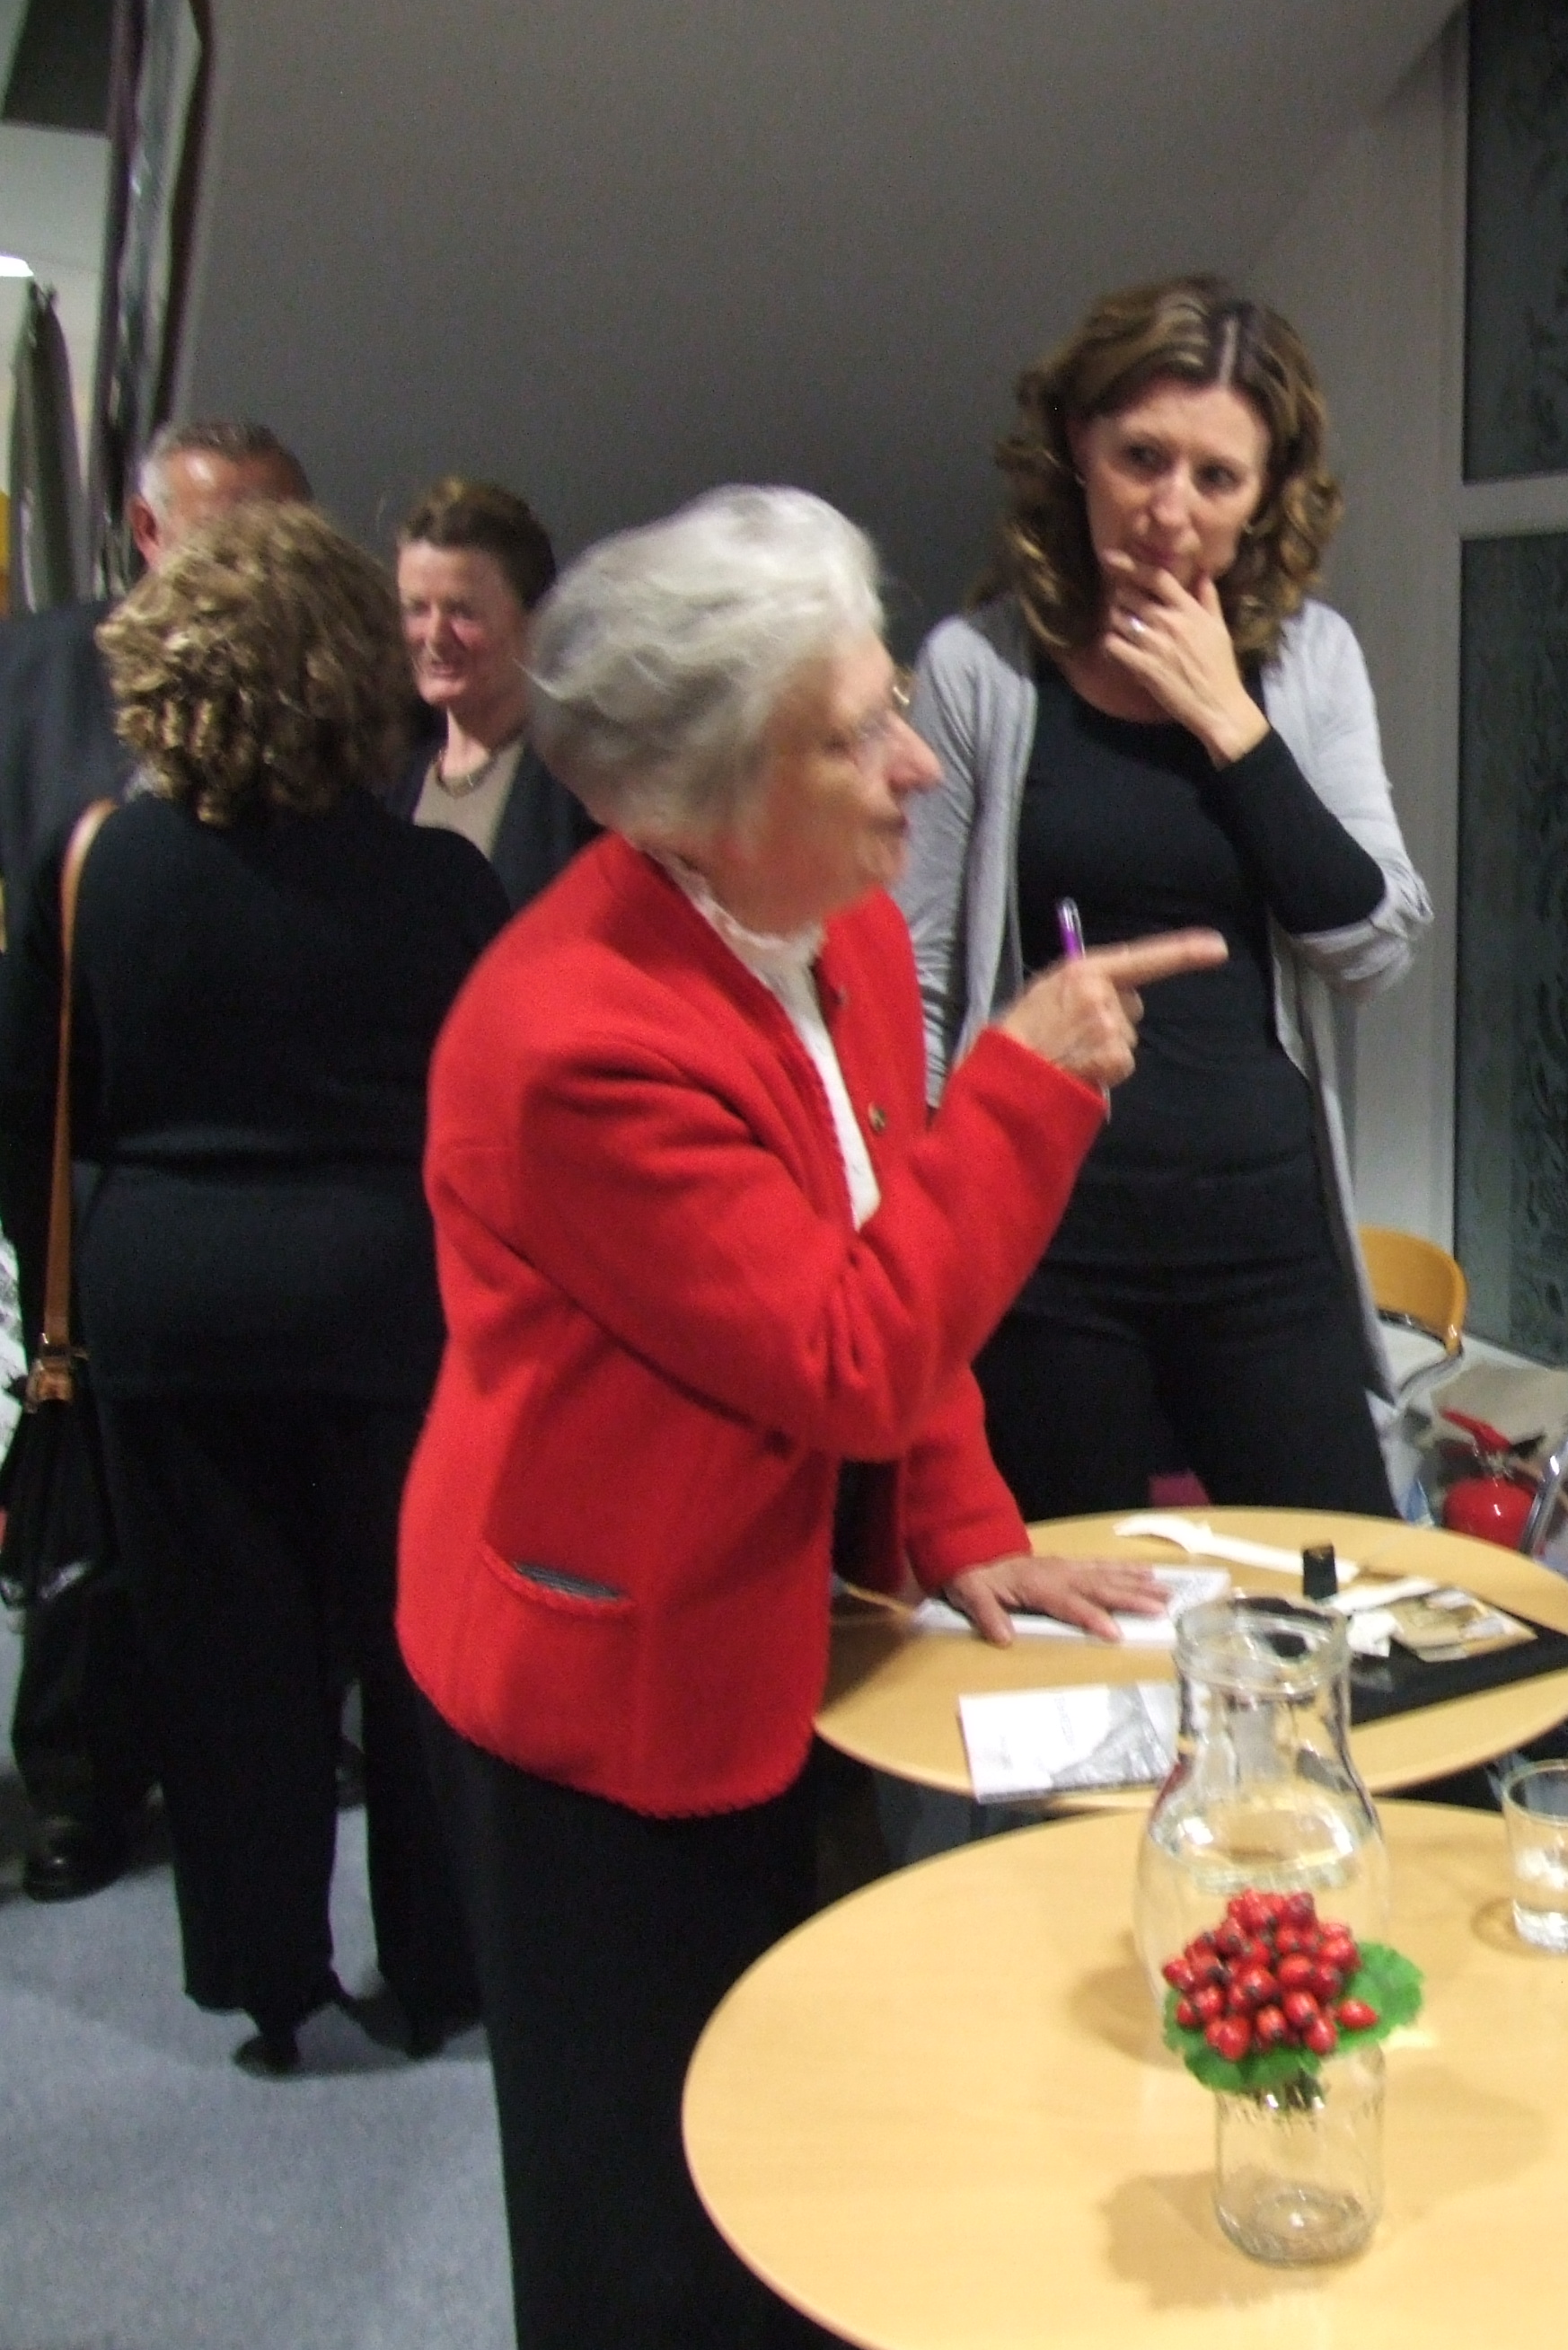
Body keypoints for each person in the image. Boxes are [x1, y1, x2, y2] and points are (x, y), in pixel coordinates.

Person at [398, 486, 1221, 2350]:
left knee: (810, 2150)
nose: (916, 765)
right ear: (691, 801)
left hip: (786, 1618)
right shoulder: (572, 1039)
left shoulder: (827, 927)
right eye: (851, 738)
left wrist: (963, 1522)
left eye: (892, 708)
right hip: (597, 1682)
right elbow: (844, 1342)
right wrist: (1027, 1089)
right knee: (640, 2204)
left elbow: (883, 1230)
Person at [0, 501, 503, 2070]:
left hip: (168, 1305)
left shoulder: (96, 868)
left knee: (225, 1665)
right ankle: (443, 1965)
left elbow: (37, 1102)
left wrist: (66, 1289)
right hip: (391, 1305)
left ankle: (267, 1980)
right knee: (418, 1660)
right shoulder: (440, 885)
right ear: (357, 673)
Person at [898, 275, 1428, 1521]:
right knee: (1068, 1612)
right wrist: (919, 1239)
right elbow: (922, 984)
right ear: (1077, 445)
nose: (1169, 510)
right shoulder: (980, 668)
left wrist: (1230, 724)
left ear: (1266, 496)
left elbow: (1372, 944)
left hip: (1263, 1239)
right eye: (1141, 458)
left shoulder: (1308, 661)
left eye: (1216, 477)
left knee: (1344, 1595)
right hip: (1050, 1251)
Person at [0, 415, 310, 1904]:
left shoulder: (326, 687)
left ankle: (253, 1760)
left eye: (277, 525)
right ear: (145, 534)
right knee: (92, 1473)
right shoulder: (37, 675)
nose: (253, 552)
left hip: (261, 1143)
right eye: (224, 522)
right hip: (75, 1129)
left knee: (250, 1494)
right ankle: (78, 1773)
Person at [382, 475, 597, 906]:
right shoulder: (391, 780)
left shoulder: (582, 787)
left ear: (535, 621)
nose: (435, 636)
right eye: (417, 609)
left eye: (462, 611)